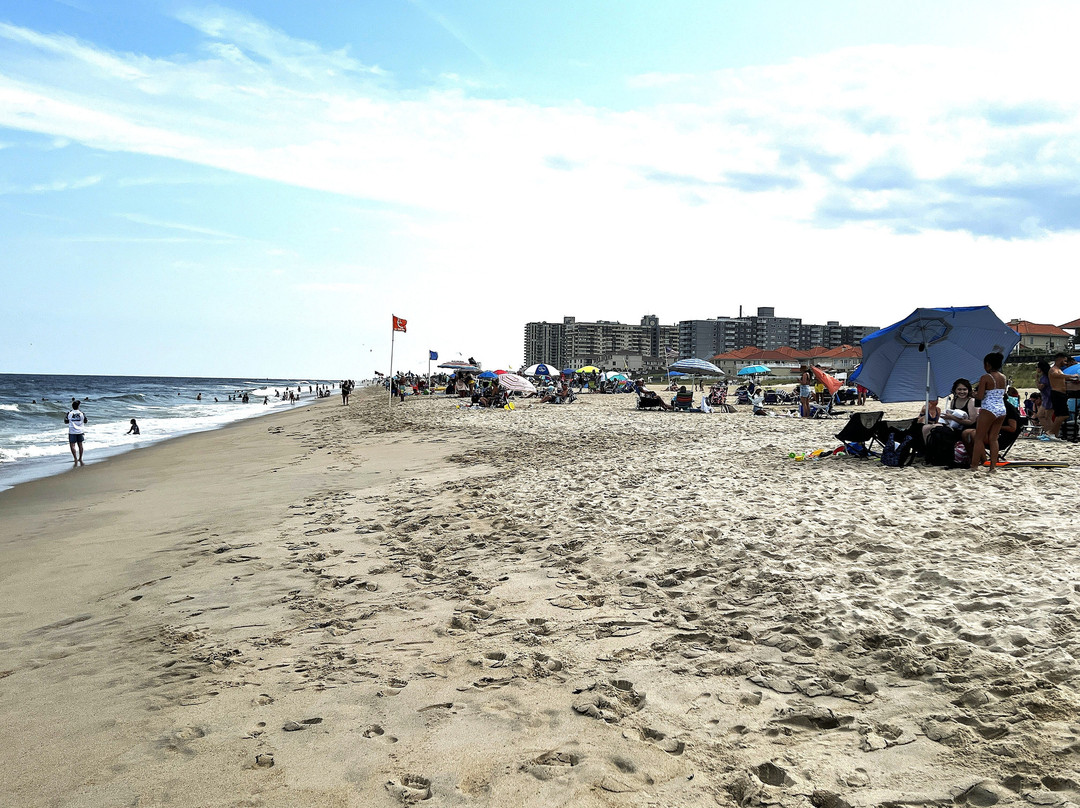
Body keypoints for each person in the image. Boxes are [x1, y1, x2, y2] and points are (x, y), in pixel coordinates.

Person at [970, 352, 1008, 471]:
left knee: (979, 438)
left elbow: (980, 396)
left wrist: (973, 394)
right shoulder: (1003, 377)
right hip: (1001, 408)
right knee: (993, 438)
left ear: (987, 364)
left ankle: (974, 465)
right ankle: (993, 466)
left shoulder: (986, 377)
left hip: (988, 408)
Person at [1044, 353, 1080, 440]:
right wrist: (1072, 376)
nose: (1065, 363)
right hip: (1057, 393)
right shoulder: (1053, 370)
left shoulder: (1059, 370)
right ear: (1060, 359)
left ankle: (1054, 434)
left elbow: (1063, 378)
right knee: (1063, 415)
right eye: (1064, 360)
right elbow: (1058, 376)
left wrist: (1073, 379)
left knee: (1060, 415)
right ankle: (1050, 432)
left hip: (1061, 394)